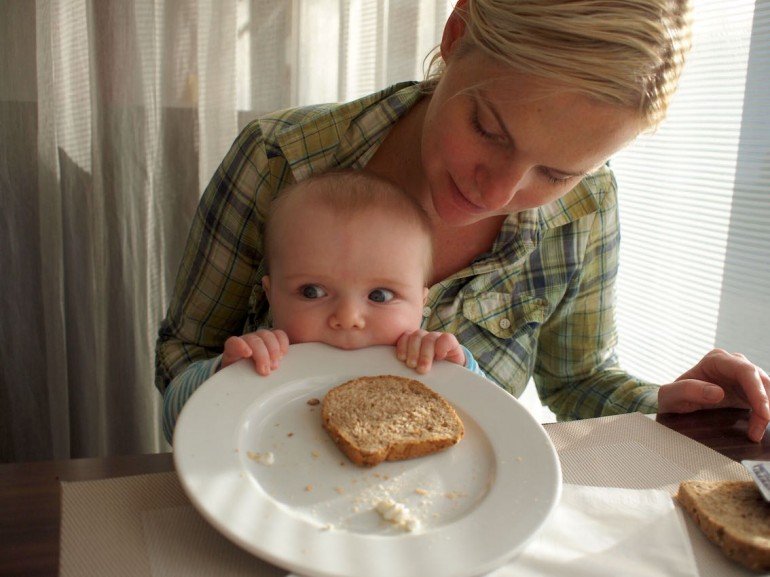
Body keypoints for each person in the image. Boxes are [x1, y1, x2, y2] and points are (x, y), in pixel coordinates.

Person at [156, 0, 769, 444]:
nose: (498, 191)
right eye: (489, 130)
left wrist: (671, 404)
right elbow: (183, 356)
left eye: (555, 173)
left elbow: (578, 382)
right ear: (456, 30)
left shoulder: (586, 207)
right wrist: (222, 378)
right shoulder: (279, 159)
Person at [161, 170, 484, 441]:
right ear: (271, 296)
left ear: (421, 303)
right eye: (312, 292)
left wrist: (459, 370)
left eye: (380, 296)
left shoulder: (423, 363)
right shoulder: (262, 359)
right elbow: (173, 422)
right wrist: (224, 377)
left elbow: (496, 422)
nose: (347, 318)